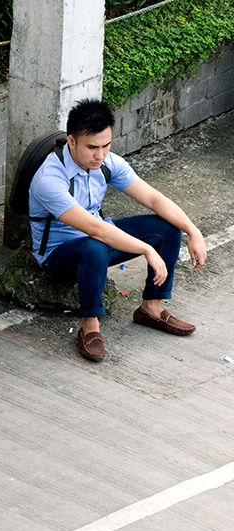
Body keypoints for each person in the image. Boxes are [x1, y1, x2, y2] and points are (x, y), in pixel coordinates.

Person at [28, 98, 207, 362]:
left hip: (99, 238)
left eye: (106, 145)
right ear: (72, 141)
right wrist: (146, 249)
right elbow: (93, 228)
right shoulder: (50, 179)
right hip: (59, 255)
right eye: (92, 147)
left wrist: (194, 232)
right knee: (94, 245)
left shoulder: (108, 163)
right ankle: (90, 326)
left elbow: (154, 199)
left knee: (168, 227)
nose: (100, 155)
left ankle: (151, 308)